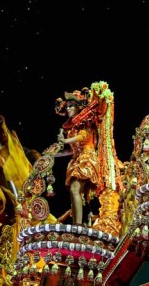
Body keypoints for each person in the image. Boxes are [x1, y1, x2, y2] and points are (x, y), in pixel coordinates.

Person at [54, 88, 101, 226]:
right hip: (76, 158)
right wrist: (55, 154)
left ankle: (78, 225)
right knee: (74, 192)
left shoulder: (86, 122)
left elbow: (82, 137)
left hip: (87, 158)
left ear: (78, 107)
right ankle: (76, 224)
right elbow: (71, 149)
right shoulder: (71, 127)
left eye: (71, 106)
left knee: (75, 189)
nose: (68, 109)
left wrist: (65, 141)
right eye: (67, 107)